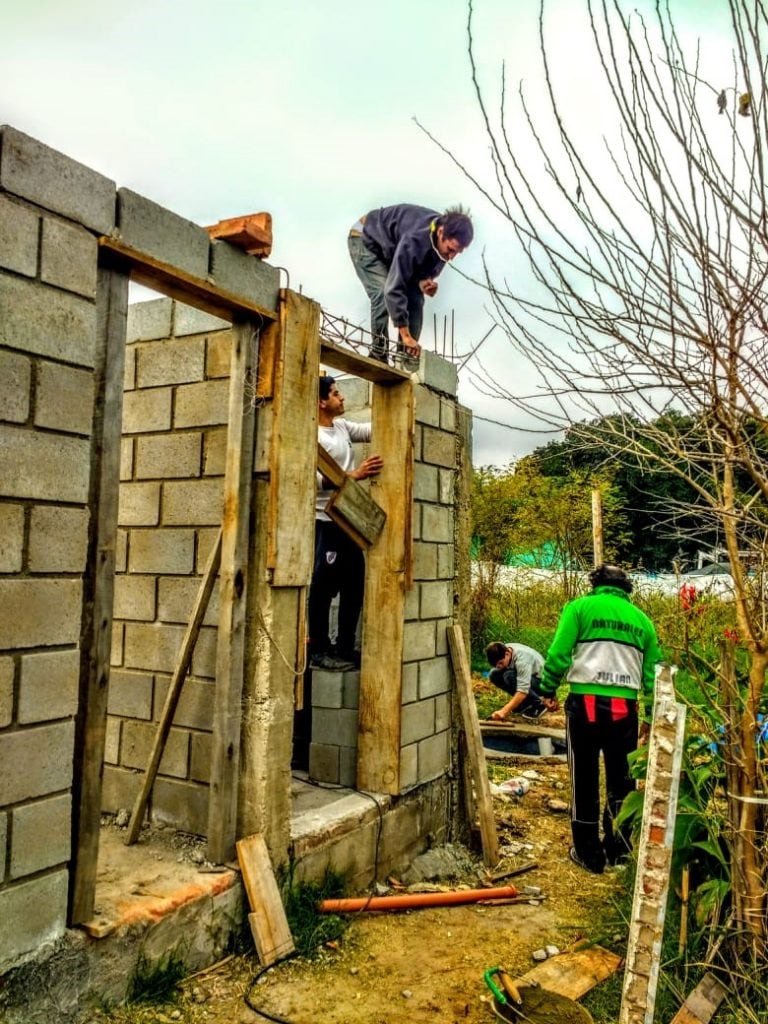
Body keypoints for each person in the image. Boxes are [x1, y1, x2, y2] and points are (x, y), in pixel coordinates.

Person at [538, 564, 662, 874]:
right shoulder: (643, 622)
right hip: (625, 708)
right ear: (626, 589)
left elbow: (558, 654)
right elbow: (653, 675)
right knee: (622, 778)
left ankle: (588, 854)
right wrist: (649, 713)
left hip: (585, 704)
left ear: (595, 584)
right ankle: (618, 849)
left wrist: (548, 688)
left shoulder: (579, 608)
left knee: (584, 776)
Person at [308, 375, 383, 671]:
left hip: (349, 520)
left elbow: (370, 430)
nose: (342, 398)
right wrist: (354, 475)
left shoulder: (340, 426)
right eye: (336, 394)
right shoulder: (312, 435)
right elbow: (310, 480)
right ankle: (319, 649)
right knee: (323, 588)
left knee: (354, 585)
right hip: (326, 520)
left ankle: (344, 647)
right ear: (321, 402)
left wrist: (406, 406)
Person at [348, 204, 473, 363]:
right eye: (450, 250)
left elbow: (414, 277)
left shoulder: (440, 243)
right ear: (441, 232)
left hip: (391, 250)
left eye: (457, 252)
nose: (451, 257)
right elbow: (393, 289)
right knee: (382, 292)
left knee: (416, 299)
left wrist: (424, 284)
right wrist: (405, 335)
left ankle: (405, 358)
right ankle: (379, 354)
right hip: (365, 238)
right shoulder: (414, 239)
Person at [485, 641, 548, 721]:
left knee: (509, 676)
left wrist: (504, 711)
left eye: (501, 663)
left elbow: (523, 690)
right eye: (496, 665)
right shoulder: (504, 650)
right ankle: (525, 703)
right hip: (529, 677)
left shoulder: (522, 660)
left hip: (543, 683)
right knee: (494, 674)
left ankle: (539, 704)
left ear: (507, 654)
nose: (499, 666)